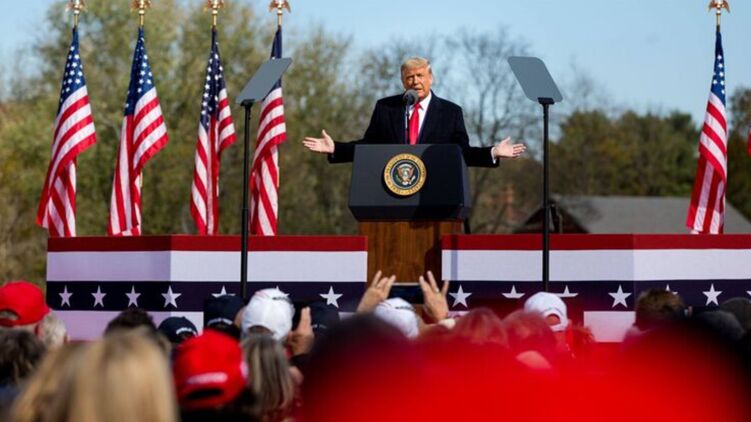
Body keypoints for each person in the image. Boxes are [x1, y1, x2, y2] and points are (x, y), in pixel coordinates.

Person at [303, 56, 526, 166]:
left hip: (435, 194)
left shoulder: (451, 112)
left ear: (431, 78)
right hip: (392, 193)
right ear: (403, 81)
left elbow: (461, 153)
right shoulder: (386, 108)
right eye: (409, 77)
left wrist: (493, 152)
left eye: (420, 76)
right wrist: (336, 148)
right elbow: (369, 146)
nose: (415, 81)